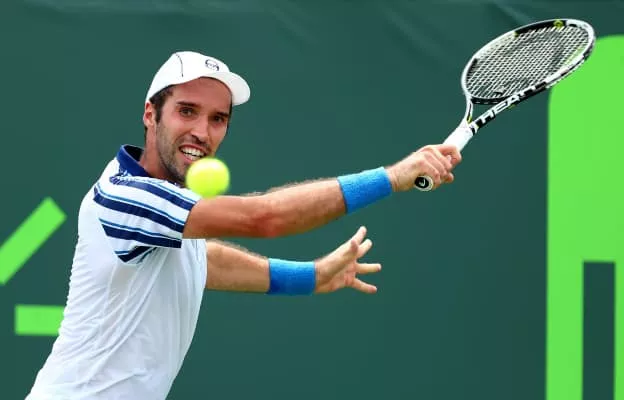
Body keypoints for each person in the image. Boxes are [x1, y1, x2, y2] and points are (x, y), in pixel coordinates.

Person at [25, 50, 461, 400]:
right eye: (187, 111)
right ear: (150, 114)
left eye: (217, 119)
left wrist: (308, 276)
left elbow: (203, 259)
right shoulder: (128, 195)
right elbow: (265, 217)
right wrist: (391, 177)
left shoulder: (166, 205)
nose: (202, 132)